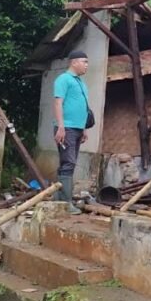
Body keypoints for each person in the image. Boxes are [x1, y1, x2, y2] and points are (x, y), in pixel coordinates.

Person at [53, 50, 90, 214]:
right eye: (84, 61)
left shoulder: (81, 83)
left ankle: (58, 199)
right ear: (74, 62)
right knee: (68, 163)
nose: (87, 65)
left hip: (77, 128)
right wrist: (61, 126)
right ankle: (66, 202)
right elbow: (58, 103)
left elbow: (83, 107)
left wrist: (84, 129)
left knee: (68, 163)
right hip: (66, 127)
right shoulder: (63, 79)